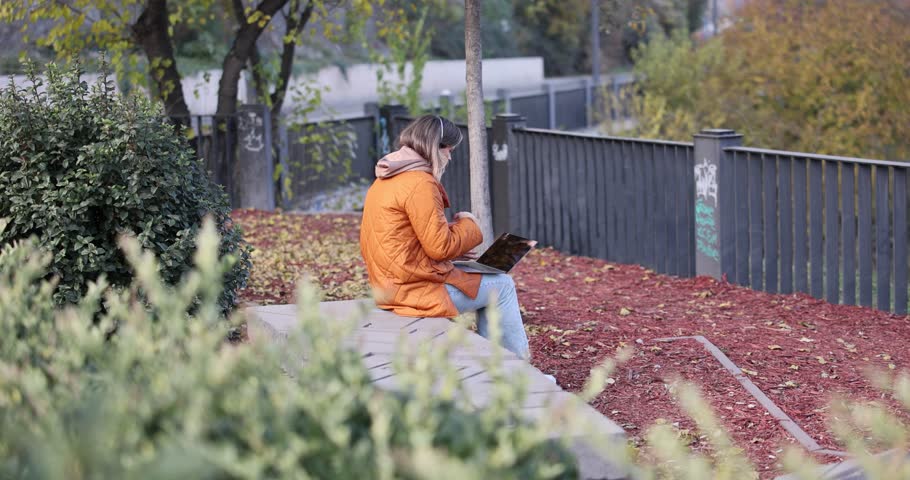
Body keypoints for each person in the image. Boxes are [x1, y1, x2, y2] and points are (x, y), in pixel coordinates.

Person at [359, 114, 530, 359]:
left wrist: (456, 248)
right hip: (412, 292)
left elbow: (405, 240)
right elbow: (439, 247)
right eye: (449, 150)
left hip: (391, 285)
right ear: (434, 147)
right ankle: (514, 372)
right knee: (502, 287)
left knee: (489, 275)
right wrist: (469, 224)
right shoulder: (420, 184)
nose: (450, 156)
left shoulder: (387, 179)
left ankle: (498, 363)